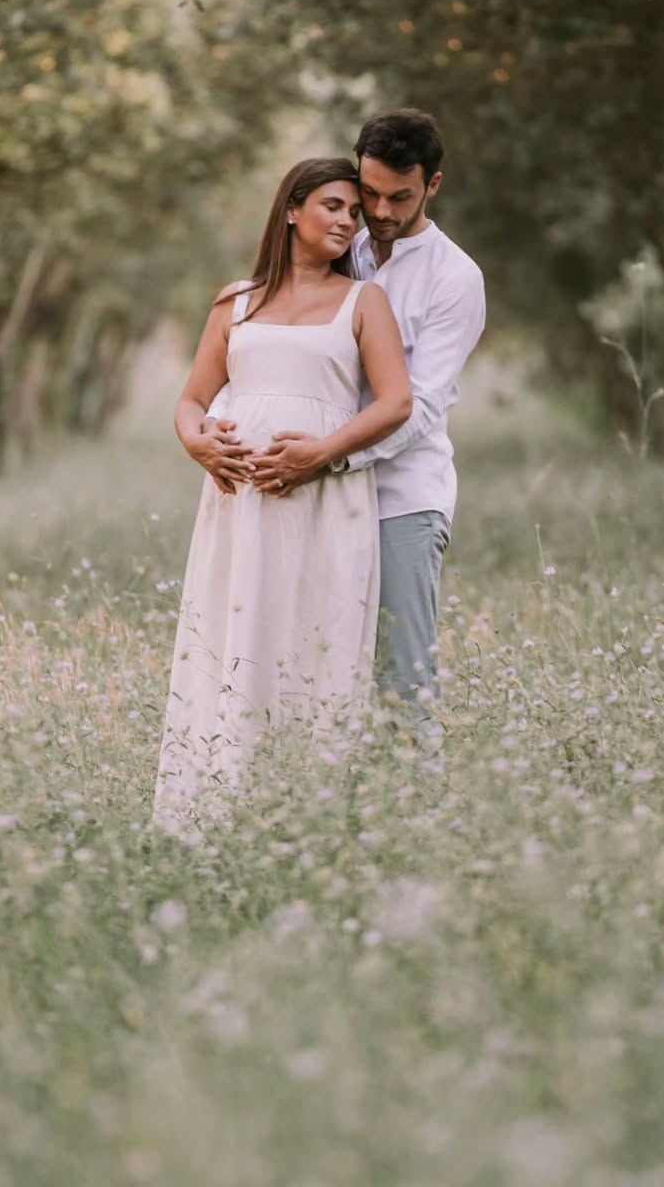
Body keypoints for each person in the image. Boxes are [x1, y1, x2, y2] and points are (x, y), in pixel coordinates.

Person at [202, 110, 485, 748]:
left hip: (397, 498)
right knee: (308, 666)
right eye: (370, 193)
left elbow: (423, 406)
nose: (378, 212)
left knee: (397, 679)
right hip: (305, 492)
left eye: (399, 198)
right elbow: (273, 352)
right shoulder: (339, 242)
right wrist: (217, 426)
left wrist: (327, 455)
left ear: (432, 187)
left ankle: (410, 826)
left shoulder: (454, 279)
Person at [154, 157, 412, 834]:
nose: (347, 221)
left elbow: (396, 403)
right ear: (292, 209)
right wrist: (197, 442)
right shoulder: (234, 302)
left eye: (354, 213)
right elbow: (191, 400)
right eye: (333, 206)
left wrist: (320, 455)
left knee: (312, 640)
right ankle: (214, 812)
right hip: (239, 508)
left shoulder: (364, 302)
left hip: (323, 502)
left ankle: (308, 821)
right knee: (236, 637)